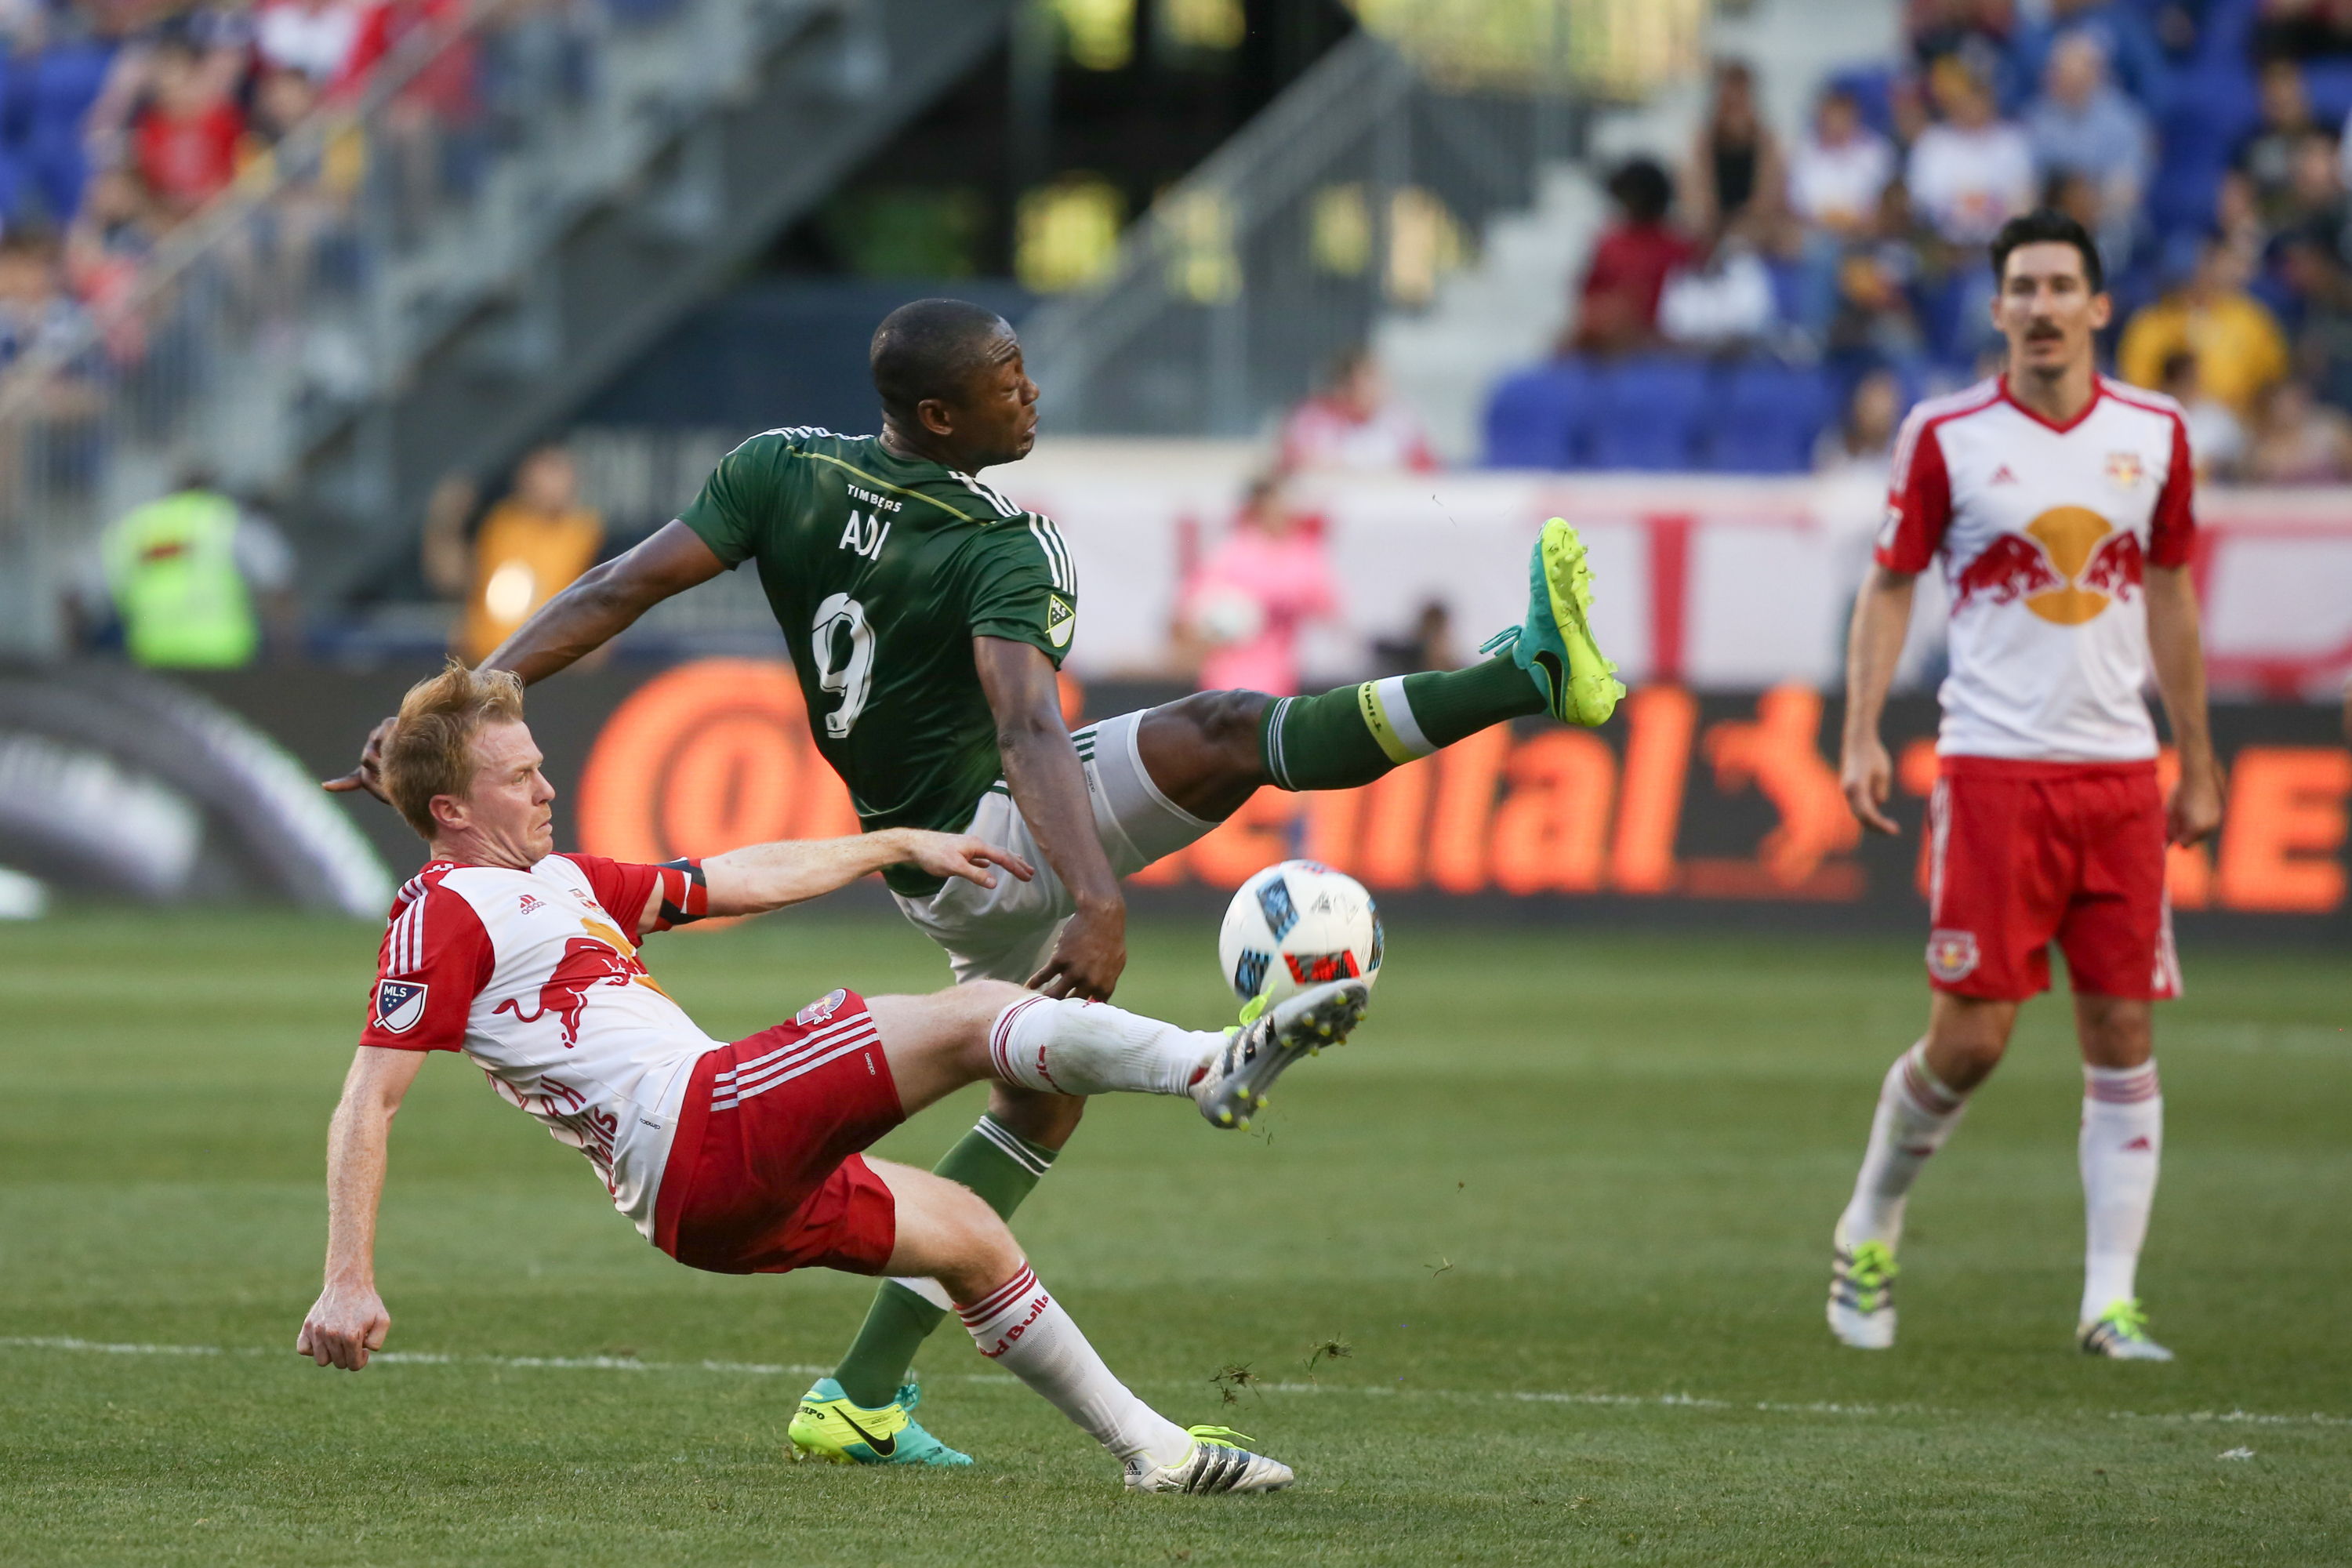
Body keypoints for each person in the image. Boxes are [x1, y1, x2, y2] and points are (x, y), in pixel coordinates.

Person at [325, 297, 1626, 1465]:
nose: (1033, 395)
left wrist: (459, 698)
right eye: (1009, 381)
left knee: (1036, 1106)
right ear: (942, 415)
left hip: (938, 862)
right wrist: (1096, 899)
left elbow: (615, 590)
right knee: (1228, 734)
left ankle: (864, 1391)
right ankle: (1521, 680)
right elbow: (1026, 726)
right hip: (997, 840)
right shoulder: (1006, 541)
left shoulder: (778, 469)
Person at [298, 661, 1367, 1493]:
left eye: (540, 762)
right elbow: (367, 1098)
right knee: (975, 1015)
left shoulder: (563, 879)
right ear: (451, 811)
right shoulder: (442, 911)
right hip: (697, 1124)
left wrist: (888, 843)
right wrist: (349, 1275)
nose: (547, 783)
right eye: (519, 773)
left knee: (968, 1234)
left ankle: (1157, 1453)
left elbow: (727, 880)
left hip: (691, 1202)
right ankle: (1210, 1066)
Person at [1834, 209, 2222, 1361]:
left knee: (2121, 1029)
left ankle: (2110, 1302)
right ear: (1998, 308)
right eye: (2023, 287)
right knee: (1973, 1042)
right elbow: (1891, 583)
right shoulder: (1946, 434)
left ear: (2099, 307)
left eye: (2062, 286)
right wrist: (1860, 730)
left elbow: (2170, 593)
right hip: (1995, 771)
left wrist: (2196, 757)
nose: (2043, 306)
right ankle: (1871, 1220)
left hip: (2116, 776)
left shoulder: (2157, 434)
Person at [95, 469, 298, 667]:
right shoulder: (229, 520)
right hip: (222, 656)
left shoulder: (135, 527)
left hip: (154, 655)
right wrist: (286, 656)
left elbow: (94, 590)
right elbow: (277, 586)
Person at [431, 445, 604, 666]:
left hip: (551, 666)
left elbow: (601, 603)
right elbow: (455, 579)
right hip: (484, 660)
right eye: (540, 472)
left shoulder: (587, 533)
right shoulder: (499, 524)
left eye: (555, 472)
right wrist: (445, 522)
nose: (547, 485)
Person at [1176, 474, 1341, 697]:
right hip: (1227, 678)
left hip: (1280, 676)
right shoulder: (1230, 554)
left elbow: (1327, 608)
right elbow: (1190, 610)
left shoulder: (1303, 554)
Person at [2117, 235, 2290, 419]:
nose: (2189, 285)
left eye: (2196, 272)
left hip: (2238, 430)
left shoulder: (2248, 318)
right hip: (2166, 425)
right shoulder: (2149, 325)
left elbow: (2274, 382)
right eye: (2180, 279)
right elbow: (2137, 393)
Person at [1907, 58, 2037, 247]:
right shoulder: (1932, 142)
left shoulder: (2012, 141)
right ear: (1952, 101)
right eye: (1967, 98)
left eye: (1979, 97)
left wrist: (1988, 205)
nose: (1973, 106)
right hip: (1946, 247)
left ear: (1991, 99)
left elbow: (2024, 198)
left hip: (2004, 243)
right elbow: (1921, 200)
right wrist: (1963, 205)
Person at [1571, 158, 1697, 353]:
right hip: (1613, 342)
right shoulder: (1608, 245)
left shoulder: (1679, 248)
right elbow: (1589, 299)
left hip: (1665, 344)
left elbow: (1689, 308)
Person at [1276, 347, 1436, 472]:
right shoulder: (1311, 418)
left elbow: (1425, 467)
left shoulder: (1400, 417)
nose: (1377, 389)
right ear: (1343, 387)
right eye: (1367, 382)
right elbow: (1298, 467)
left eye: (1378, 380)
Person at [1682, 59, 1783, 239]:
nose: (1735, 99)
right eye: (1729, 95)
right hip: (1712, 228)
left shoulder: (1766, 140)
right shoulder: (1703, 140)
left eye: (1741, 94)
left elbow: (1768, 197)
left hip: (1755, 228)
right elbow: (1696, 196)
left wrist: (1748, 221)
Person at [1788, 84, 1896, 238]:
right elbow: (1797, 202)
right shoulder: (1803, 153)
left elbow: (1886, 198)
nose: (1836, 121)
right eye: (1831, 114)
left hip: (1867, 233)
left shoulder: (1877, 151)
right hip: (1816, 233)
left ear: (1854, 115)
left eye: (1842, 114)